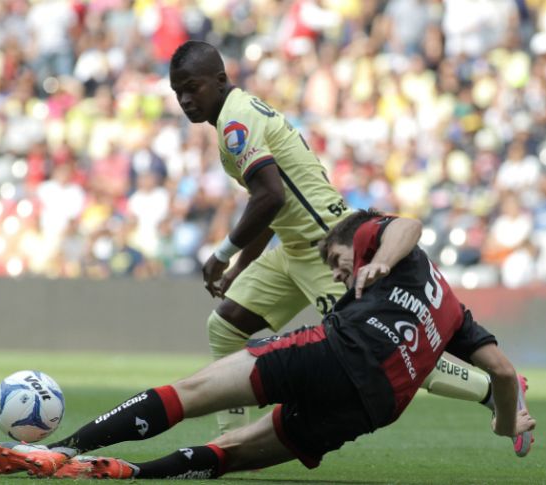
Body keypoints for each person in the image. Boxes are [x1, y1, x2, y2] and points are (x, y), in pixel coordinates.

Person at [0, 209, 535, 480]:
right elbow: (506, 375)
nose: (345, 277)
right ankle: (132, 473)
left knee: (196, 390)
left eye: (340, 265)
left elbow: (408, 224)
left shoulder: (386, 248)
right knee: (235, 453)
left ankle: (66, 449)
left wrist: (382, 259)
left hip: (336, 353)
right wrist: (505, 420)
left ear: (354, 242)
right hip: (372, 408)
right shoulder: (456, 314)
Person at [166, 40, 501, 435]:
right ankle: (229, 439)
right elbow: (271, 207)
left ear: (220, 80)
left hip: (327, 247)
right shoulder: (237, 115)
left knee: (381, 349)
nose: (186, 99)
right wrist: (241, 267)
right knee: (224, 325)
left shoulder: (236, 122)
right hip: (293, 247)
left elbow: (269, 196)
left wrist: (222, 254)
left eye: (193, 87)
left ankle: (493, 389)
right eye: (178, 92)